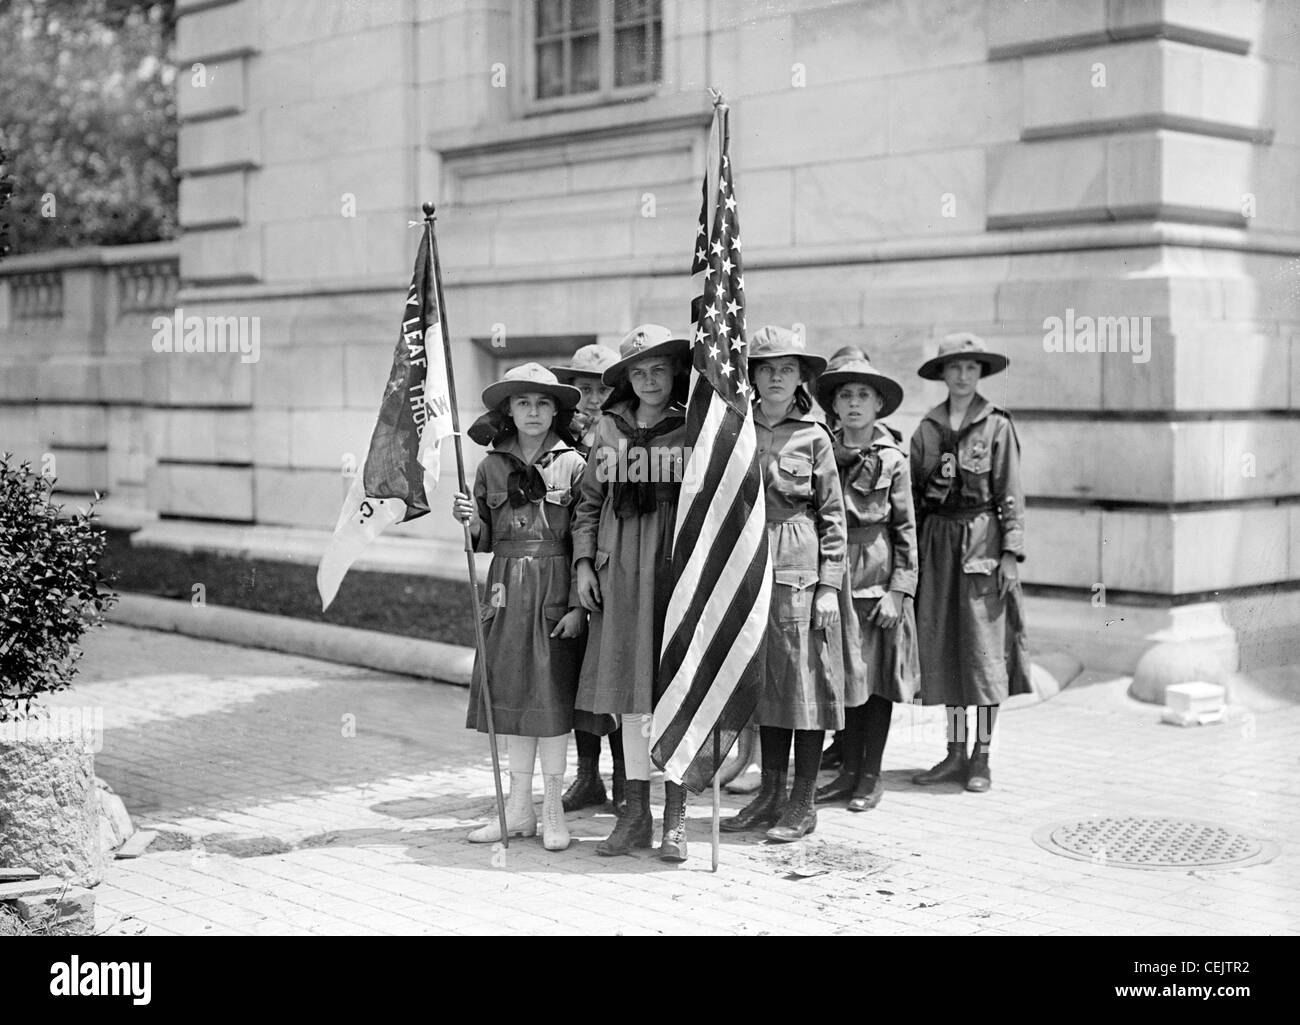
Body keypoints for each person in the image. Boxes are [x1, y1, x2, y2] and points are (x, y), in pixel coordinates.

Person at [451, 362, 588, 850]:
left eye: (543, 402)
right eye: (524, 402)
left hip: (554, 586)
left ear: (557, 410)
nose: (533, 412)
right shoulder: (490, 466)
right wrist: (468, 521)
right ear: (508, 409)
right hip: (506, 588)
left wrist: (576, 605)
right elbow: (482, 541)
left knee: (548, 701)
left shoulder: (573, 463)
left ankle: (553, 807)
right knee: (509, 699)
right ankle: (517, 808)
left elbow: (583, 541)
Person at [571, 324, 692, 861]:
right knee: (630, 693)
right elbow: (589, 503)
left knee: (677, 688)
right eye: (638, 371)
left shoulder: (692, 427)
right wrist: (583, 565)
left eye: (658, 369)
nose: (649, 380)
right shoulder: (609, 429)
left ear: (674, 374)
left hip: (674, 568)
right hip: (619, 570)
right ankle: (636, 813)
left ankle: (676, 816)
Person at [722, 325, 846, 842]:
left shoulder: (814, 437)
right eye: (767, 367)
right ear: (751, 375)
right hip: (749, 566)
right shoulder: (736, 429)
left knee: (803, 687)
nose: (776, 377)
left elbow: (834, 517)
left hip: (798, 569)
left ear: (800, 378)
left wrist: (829, 587)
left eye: (787, 369)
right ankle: (769, 795)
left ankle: (802, 801)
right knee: (765, 686)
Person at [909, 333, 1031, 793]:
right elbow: (916, 498)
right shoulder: (927, 428)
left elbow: (1010, 493)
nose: (963, 376)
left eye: (971, 368)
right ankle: (953, 753)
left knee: (982, 655)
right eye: (954, 367)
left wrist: (1009, 553)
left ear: (981, 374)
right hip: (938, 545)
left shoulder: (996, 425)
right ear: (942, 374)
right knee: (946, 651)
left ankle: (981, 758)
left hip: (982, 544)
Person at [813, 346, 919, 812]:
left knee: (874, 683)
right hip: (832, 575)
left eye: (864, 395)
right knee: (842, 678)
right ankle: (848, 771)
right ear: (833, 405)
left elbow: (905, 529)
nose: (854, 403)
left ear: (879, 405)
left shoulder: (892, 459)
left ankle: (870, 776)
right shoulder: (820, 449)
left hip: (875, 578)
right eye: (845, 395)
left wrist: (900, 590)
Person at [546, 344, 627, 815]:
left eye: (601, 387)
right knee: (577, 678)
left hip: (607, 567)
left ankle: (623, 780)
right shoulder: (558, 444)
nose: (592, 398)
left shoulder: (622, 438)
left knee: (611, 677)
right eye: (582, 388)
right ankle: (588, 776)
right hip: (562, 569)